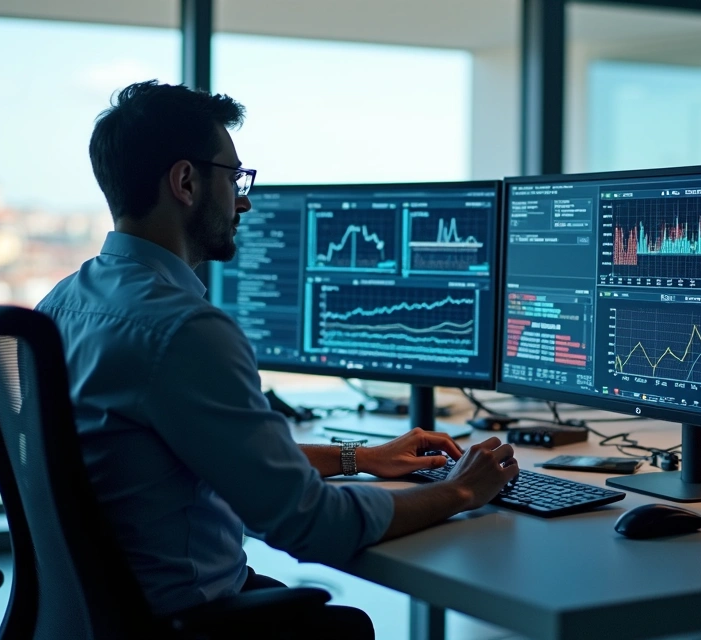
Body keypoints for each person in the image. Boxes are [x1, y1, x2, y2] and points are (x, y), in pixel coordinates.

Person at [35, 80, 519, 638]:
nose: (243, 201)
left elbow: (214, 455)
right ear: (185, 182)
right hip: (180, 620)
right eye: (234, 178)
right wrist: (461, 490)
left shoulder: (60, 304)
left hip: (89, 616)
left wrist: (360, 457)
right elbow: (313, 525)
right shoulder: (183, 330)